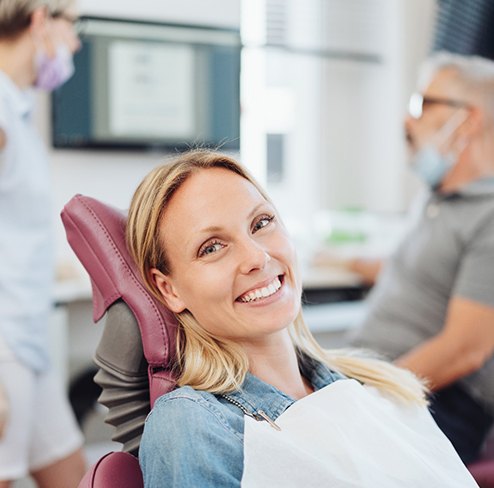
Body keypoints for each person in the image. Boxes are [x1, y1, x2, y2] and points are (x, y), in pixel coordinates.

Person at [126, 149, 478, 487]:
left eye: (261, 222)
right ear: (169, 289)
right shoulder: (193, 424)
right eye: (212, 247)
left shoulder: (376, 387)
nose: (257, 257)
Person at [344, 52, 494, 465]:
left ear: (469, 120)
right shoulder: (438, 197)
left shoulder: (490, 216)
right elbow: (415, 272)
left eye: (423, 105)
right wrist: (341, 260)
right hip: (381, 378)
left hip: (437, 400)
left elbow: (465, 350)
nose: (408, 121)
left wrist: (364, 394)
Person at [0, 1, 86, 486]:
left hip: (26, 338)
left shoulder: (17, 108)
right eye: (72, 27)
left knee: (73, 475)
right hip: (4, 343)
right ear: (39, 20)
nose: (74, 43)